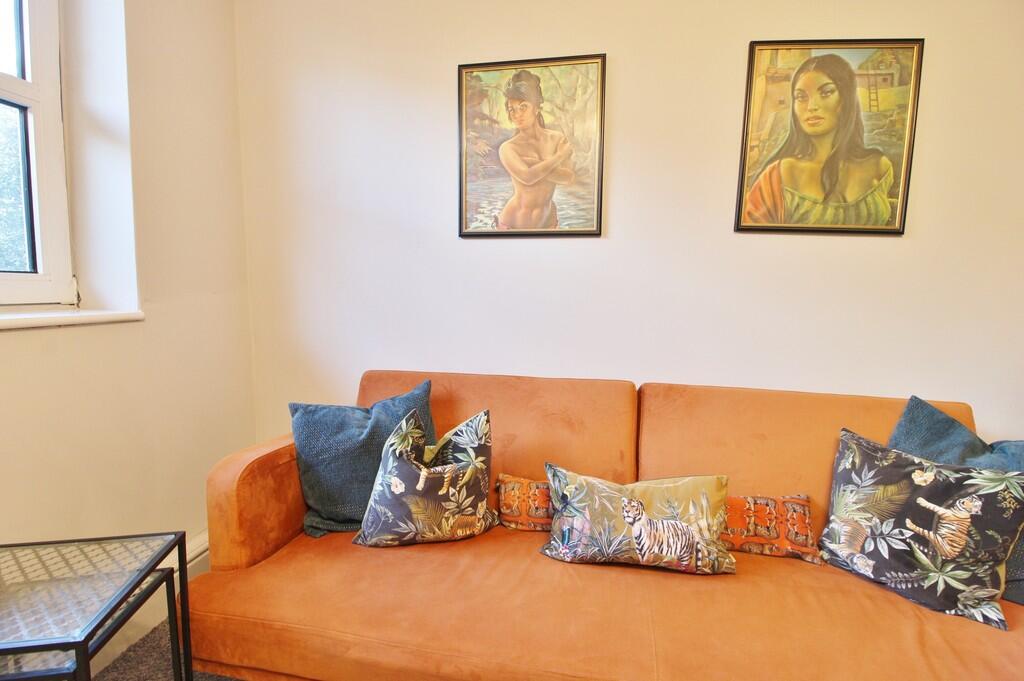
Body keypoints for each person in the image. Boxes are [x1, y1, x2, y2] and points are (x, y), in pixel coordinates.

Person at [744, 54, 894, 226]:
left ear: (846, 98)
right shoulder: (780, 175)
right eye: (801, 97)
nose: (811, 106)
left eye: (826, 93)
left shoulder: (880, 166)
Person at [495, 70, 575, 230]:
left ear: (536, 108)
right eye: (512, 109)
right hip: (512, 225)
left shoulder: (557, 138)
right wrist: (558, 157)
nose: (517, 114)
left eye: (523, 107)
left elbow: (568, 178)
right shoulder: (508, 147)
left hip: (549, 224)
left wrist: (533, 165)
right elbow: (528, 177)